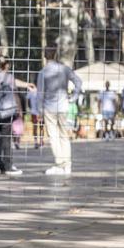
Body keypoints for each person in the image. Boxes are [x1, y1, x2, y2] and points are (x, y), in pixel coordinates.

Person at [36, 45, 83, 176]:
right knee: (64, 136)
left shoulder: (43, 72)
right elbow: (78, 82)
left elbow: (40, 93)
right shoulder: (65, 69)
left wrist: (39, 110)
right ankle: (67, 165)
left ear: (45, 56)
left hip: (49, 108)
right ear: (56, 55)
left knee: (54, 136)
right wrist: (73, 97)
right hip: (63, 106)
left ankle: (60, 164)